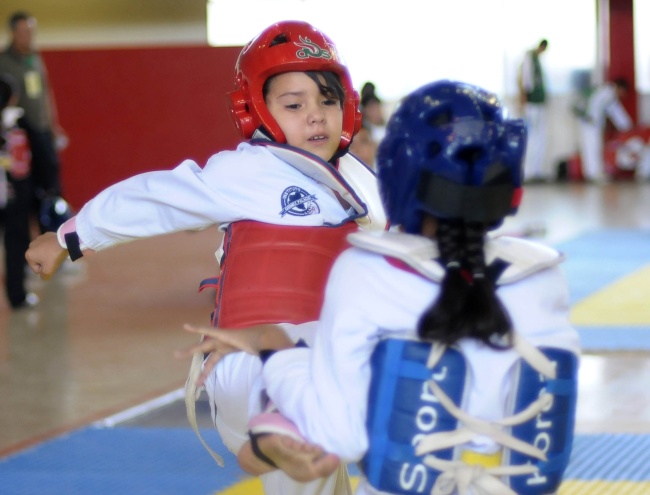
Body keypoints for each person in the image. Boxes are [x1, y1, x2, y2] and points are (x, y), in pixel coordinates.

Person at [26, 20, 386, 495]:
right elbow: (157, 198)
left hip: (314, 368)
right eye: (294, 104)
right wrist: (73, 236)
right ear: (256, 110)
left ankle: (289, 432)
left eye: (327, 100)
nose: (316, 116)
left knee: (322, 476)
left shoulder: (362, 184)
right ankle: (279, 424)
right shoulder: (248, 169)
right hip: (249, 365)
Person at [180, 80, 581, 495]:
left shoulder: (371, 271)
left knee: (289, 429)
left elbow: (340, 435)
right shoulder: (542, 276)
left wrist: (273, 346)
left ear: (397, 175)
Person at [0, 11, 66, 205]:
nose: (28, 36)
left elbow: (45, 91)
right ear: (13, 32)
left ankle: (53, 217)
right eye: (23, 32)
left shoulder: (35, 57)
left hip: (41, 126)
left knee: (50, 171)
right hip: (19, 131)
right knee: (24, 183)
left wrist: (53, 124)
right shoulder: (4, 61)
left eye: (31, 31)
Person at [575, 78, 633, 183]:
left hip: (590, 122)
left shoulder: (606, 92)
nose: (622, 95)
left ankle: (592, 173)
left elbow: (614, 111)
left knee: (592, 147)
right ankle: (593, 174)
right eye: (622, 92)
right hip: (590, 122)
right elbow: (614, 110)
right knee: (592, 147)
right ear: (619, 88)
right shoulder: (607, 92)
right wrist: (627, 126)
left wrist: (626, 125)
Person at [518, 39, 549, 183]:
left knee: (539, 136)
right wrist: (524, 97)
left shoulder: (537, 60)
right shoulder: (529, 57)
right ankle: (528, 171)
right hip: (532, 103)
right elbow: (526, 79)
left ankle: (536, 171)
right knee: (531, 136)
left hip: (538, 102)